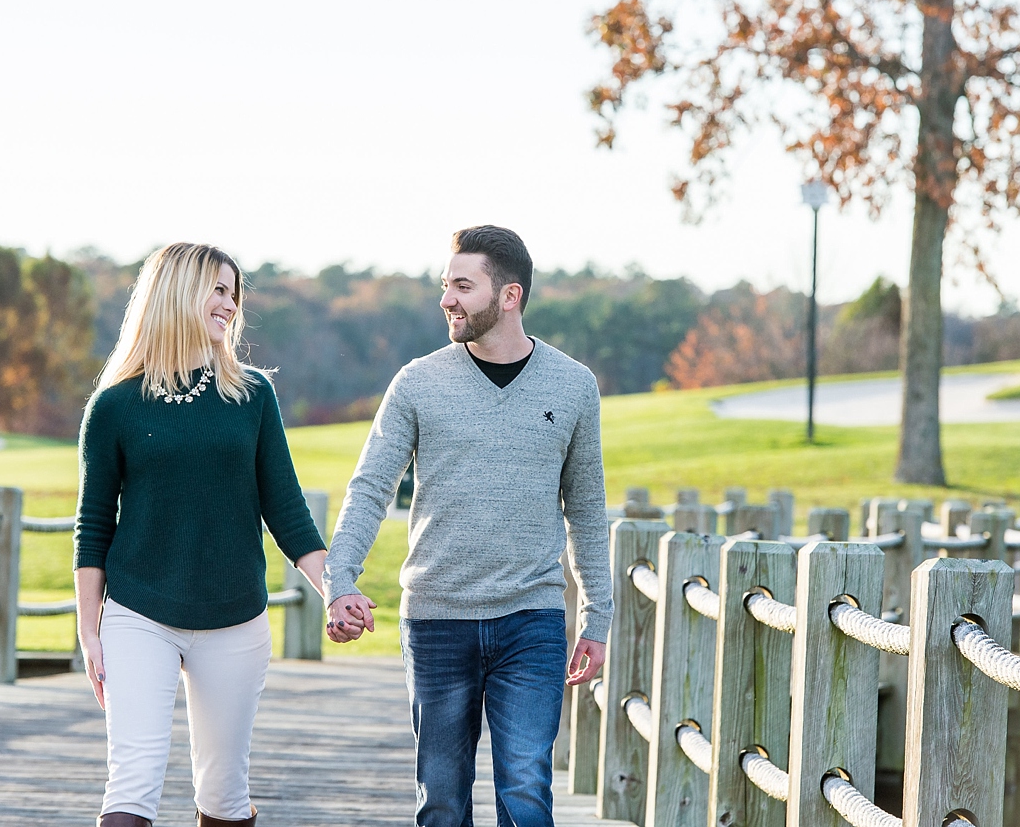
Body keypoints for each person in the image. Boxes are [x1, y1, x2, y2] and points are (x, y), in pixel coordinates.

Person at [323, 225, 614, 827]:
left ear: (508, 296)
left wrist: (597, 618)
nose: (446, 299)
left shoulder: (574, 385)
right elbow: (371, 487)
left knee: (528, 792)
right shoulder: (418, 383)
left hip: (531, 620)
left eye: (462, 285)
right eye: (444, 285)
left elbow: (585, 508)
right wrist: (340, 580)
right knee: (442, 798)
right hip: (436, 621)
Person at [73, 242, 327, 827]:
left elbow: (286, 509)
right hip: (140, 614)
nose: (230, 304)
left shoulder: (253, 395)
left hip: (235, 617)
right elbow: (92, 529)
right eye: (217, 288)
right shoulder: (113, 407)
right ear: (176, 292)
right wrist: (91, 632)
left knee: (224, 795)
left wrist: (335, 590)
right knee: (132, 784)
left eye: (234, 293)